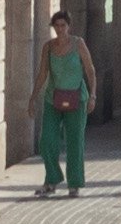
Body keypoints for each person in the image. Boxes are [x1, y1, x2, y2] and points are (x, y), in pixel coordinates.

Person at [34, 14, 95, 196]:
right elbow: (43, 73)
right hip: (53, 99)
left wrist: (93, 96)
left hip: (77, 98)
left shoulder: (78, 44)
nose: (60, 29)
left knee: (75, 141)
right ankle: (52, 178)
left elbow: (90, 70)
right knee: (46, 140)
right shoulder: (49, 47)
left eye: (63, 25)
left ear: (68, 26)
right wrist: (32, 98)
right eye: (56, 25)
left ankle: (74, 183)